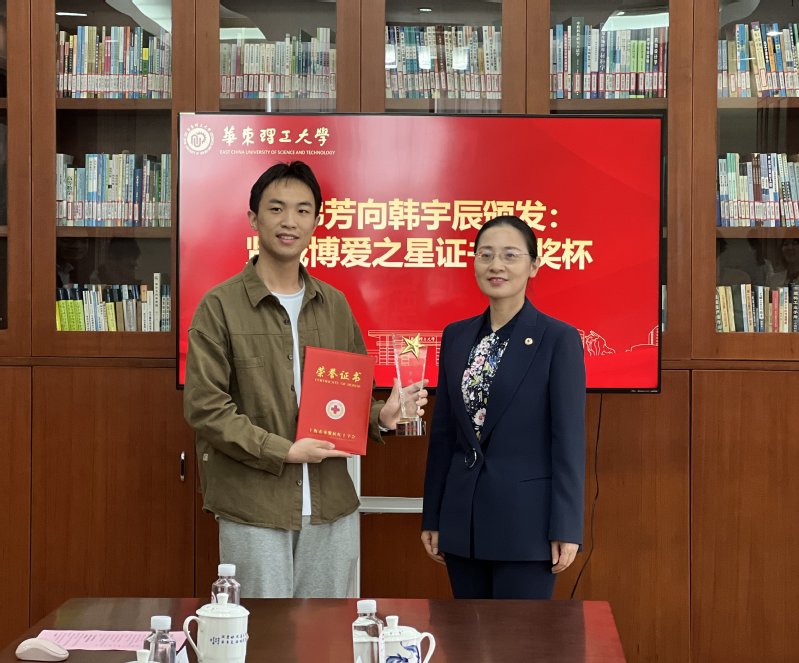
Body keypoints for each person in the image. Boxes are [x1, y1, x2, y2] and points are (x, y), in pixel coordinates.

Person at [183, 161, 426, 599]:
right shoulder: (219, 306)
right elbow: (206, 408)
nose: (289, 221)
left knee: (327, 632)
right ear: (254, 218)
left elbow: (351, 400)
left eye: (302, 210)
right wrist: (285, 451)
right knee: (262, 631)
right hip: (254, 507)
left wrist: (381, 417)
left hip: (331, 507)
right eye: (276, 209)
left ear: (316, 221)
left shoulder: (334, 305)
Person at [420, 214, 586, 599]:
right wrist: (434, 515)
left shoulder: (557, 338)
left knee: (520, 635)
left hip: (527, 527)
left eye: (510, 255)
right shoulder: (457, 336)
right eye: (486, 255)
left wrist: (566, 526)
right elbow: (444, 435)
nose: (496, 265)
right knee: (465, 633)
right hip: (462, 523)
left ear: (534, 265)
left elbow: (568, 440)